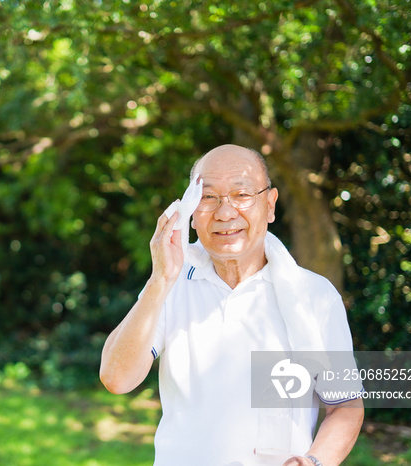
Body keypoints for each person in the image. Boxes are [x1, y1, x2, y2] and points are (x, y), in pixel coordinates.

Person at [99, 144, 364, 465]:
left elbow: (345, 406)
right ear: (191, 214)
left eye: (242, 195)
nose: (225, 213)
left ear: (270, 205)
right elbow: (117, 378)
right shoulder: (171, 283)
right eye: (208, 198)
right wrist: (159, 282)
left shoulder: (314, 296)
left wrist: (314, 461)